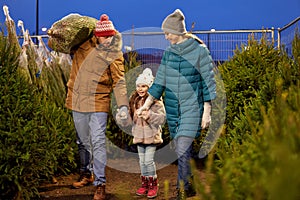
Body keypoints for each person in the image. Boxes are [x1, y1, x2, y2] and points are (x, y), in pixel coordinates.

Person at [137, 9, 217, 200]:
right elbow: (159, 83)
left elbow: (208, 81)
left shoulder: (200, 51)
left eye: (168, 33)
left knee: (182, 147)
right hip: (174, 110)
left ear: (178, 32)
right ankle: (189, 186)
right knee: (182, 150)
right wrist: (146, 105)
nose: (165, 37)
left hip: (192, 108)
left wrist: (207, 112)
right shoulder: (169, 54)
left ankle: (181, 191)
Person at [65, 13, 129, 200]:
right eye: (105, 36)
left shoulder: (114, 53)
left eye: (111, 36)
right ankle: (86, 173)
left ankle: (100, 183)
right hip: (77, 99)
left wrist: (123, 105)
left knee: (98, 141)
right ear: (96, 35)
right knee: (82, 140)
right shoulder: (80, 45)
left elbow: (119, 81)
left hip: (99, 100)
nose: (108, 40)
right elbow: (59, 44)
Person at [116, 68, 166, 199]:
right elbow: (129, 121)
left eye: (144, 86)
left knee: (148, 161)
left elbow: (162, 118)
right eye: (138, 86)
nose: (140, 89)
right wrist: (122, 117)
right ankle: (145, 183)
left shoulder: (155, 102)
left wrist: (149, 115)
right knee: (142, 161)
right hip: (139, 136)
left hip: (151, 137)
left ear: (149, 86)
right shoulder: (134, 101)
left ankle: (153, 184)